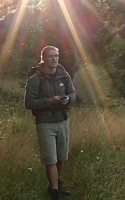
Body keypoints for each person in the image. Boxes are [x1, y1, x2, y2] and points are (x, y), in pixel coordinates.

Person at [24, 45, 77, 200]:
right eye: (50, 56)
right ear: (43, 58)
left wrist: (69, 99)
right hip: (45, 123)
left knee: (61, 157)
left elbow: (73, 93)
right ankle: (54, 192)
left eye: (56, 56)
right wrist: (49, 101)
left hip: (62, 120)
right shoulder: (35, 80)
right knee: (51, 159)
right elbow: (29, 103)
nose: (54, 59)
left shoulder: (63, 75)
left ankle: (56, 185)